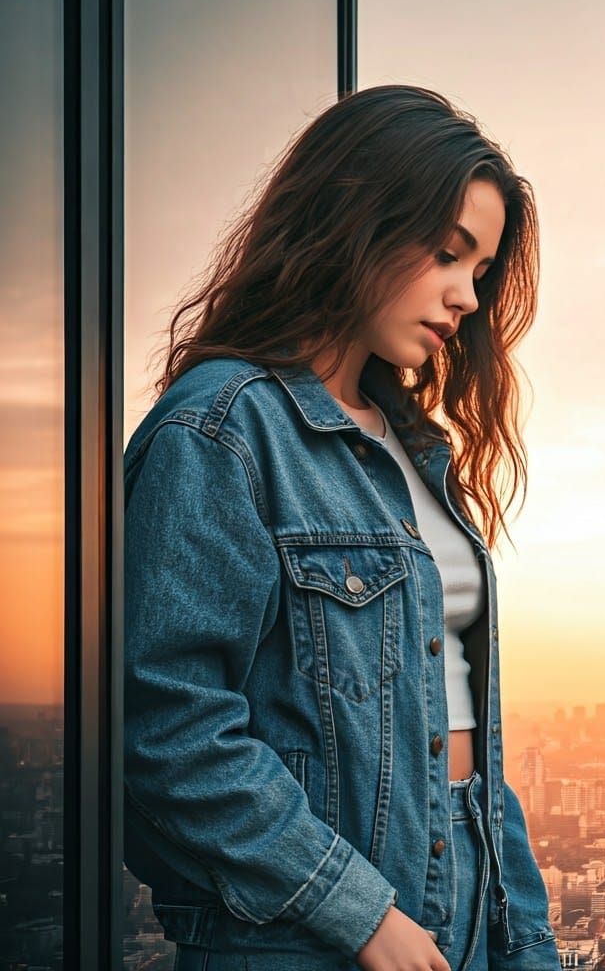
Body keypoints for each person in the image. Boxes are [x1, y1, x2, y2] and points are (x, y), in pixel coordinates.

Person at [122, 85, 559, 971]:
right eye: (447, 254)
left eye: (480, 272)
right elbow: (172, 727)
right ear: (358, 220)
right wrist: (361, 915)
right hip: (304, 934)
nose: (467, 297)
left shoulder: (412, 449)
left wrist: (526, 940)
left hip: (467, 905)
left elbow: (469, 733)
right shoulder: (222, 431)